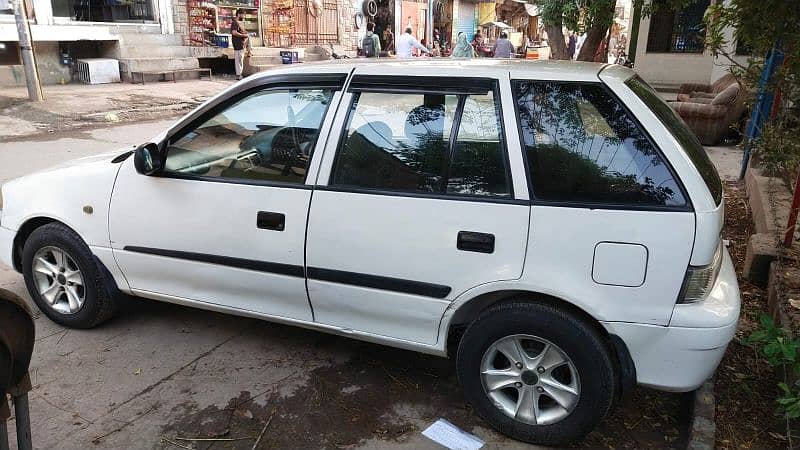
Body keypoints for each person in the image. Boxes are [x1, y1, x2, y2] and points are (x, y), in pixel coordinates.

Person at [230, 9, 249, 80]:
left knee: (240, 60)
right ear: (239, 14)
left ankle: (239, 74)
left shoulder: (240, 23)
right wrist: (243, 35)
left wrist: (245, 34)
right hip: (238, 44)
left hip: (242, 44)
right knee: (238, 60)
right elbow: (234, 32)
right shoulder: (235, 23)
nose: (244, 16)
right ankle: (239, 75)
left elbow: (241, 32)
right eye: (243, 14)